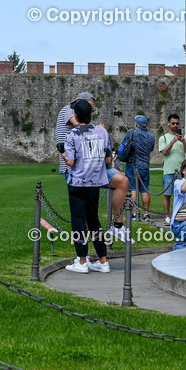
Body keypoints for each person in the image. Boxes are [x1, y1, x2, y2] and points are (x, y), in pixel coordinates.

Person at [63, 99, 113, 274]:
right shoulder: (102, 132)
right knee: (94, 221)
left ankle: (82, 260)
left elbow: (70, 161)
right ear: (91, 114)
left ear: (76, 116)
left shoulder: (72, 135)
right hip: (96, 181)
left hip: (78, 181)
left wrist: (62, 152)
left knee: (78, 221)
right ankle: (103, 259)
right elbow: (108, 159)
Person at [158, 113, 186, 221]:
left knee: (183, 194)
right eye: (173, 123)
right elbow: (164, 152)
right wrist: (173, 141)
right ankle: (167, 216)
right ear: (168, 123)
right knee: (168, 195)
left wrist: (183, 141)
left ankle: (180, 215)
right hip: (169, 170)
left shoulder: (184, 137)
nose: (175, 125)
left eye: (177, 123)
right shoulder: (163, 138)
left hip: (182, 171)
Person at [56, 92, 96, 175]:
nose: (89, 111)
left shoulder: (69, 109)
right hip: (70, 161)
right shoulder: (69, 109)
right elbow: (78, 124)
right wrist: (97, 129)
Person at [126, 115, 156, 214]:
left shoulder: (132, 132)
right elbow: (151, 148)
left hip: (133, 164)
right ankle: (146, 214)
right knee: (145, 190)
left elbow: (125, 144)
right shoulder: (151, 136)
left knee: (133, 189)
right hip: (145, 165)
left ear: (136, 124)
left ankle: (135, 213)